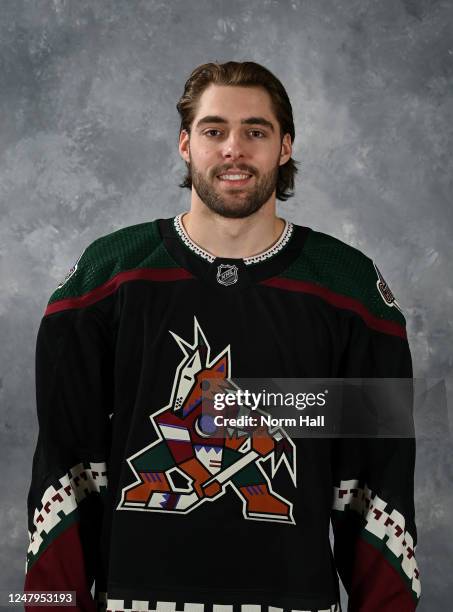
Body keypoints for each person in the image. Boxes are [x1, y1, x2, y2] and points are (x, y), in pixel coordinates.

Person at [24, 61, 420, 612]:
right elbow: (63, 471)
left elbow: (379, 484)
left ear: (284, 147)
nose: (234, 149)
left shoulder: (351, 290)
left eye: (255, 131)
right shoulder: (105, 278)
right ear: (186, 144)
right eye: (214, 131)